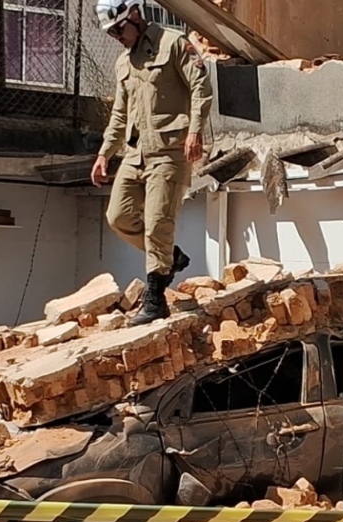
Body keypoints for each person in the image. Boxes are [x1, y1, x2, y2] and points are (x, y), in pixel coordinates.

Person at [91, 0, 212, 327]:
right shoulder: (123, 64)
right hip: (135, 153)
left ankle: (155, 299)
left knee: (158, 222)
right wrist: (105, 153)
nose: (116, 36)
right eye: (111, 32)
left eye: (119, 28)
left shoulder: (173, 43)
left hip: (169, 152)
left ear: (135, 15)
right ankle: (170, 257)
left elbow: (201, 86)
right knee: (118, 215)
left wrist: (195, 131)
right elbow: (120, 114)